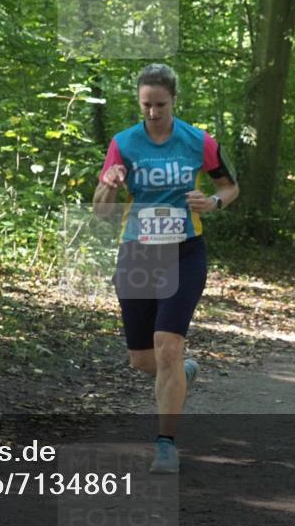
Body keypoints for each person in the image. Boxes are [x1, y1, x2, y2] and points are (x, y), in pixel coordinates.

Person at [94, 64, 238, 474]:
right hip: (138, 254)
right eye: (146, 105)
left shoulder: (199, 141)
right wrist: (110, 183)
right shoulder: (123, 143)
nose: (153, 113)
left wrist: (214, 203)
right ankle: (181, 375)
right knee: (143, 360)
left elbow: (229, 185)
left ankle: (165, 445)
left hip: (184, 253)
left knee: (168, 345)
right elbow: (104, 213)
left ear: (174, 99)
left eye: (160, 104)